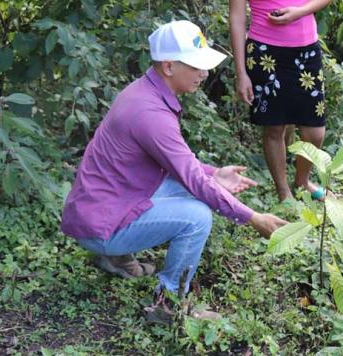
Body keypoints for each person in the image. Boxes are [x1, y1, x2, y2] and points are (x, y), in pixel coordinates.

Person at [60, 20, 288, 323]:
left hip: (103, 206)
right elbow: (190, 177)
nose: (204, 74)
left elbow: (180, 166)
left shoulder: (143, 92)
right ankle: (168, 305)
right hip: (101, 225)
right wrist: (253, 218)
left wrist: (214, 174)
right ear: (168, 66)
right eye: (196, 66)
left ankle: (117, 258)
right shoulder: (150, 113)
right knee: (197, 217)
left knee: (193, 191)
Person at [224, 0, 336, 202]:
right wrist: (241, 72)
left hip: (305, 49)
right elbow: (237, 17)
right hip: (265, 52)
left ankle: (302, 180)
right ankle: (284, 192)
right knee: (274, 126)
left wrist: (299, 11)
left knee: (314, 130)